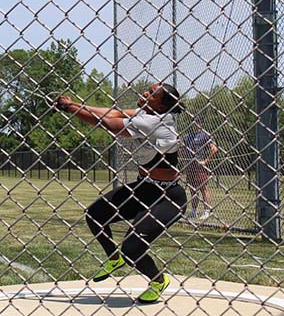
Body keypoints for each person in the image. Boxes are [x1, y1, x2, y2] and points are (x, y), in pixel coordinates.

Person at [55, 83, 186, 304]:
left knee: (132, 247)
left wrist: (70, 109)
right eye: (148, 90)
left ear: (162, 106)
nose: (145, 93)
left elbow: (108, 123)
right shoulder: (147, 112)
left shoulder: (156, 122)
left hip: (168, 196)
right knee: (95, 215)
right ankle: (113, 259)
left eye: (152, 94)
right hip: (144, 187)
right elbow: (113, 112)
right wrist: (73, 104)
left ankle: (157, 280)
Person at [183, 117, 218, 220]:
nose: (196, 124)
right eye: (194, 122)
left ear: (201, 123)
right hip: (190, 166)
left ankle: (207, 211)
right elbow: (184, 151)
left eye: (198, 122)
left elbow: (214, 149)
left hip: (200, 165)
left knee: (203, 188)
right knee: (192, 189)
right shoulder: (187, 136)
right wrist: (185, 164)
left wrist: (206, 161)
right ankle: (194, 211)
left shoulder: (205, 135)